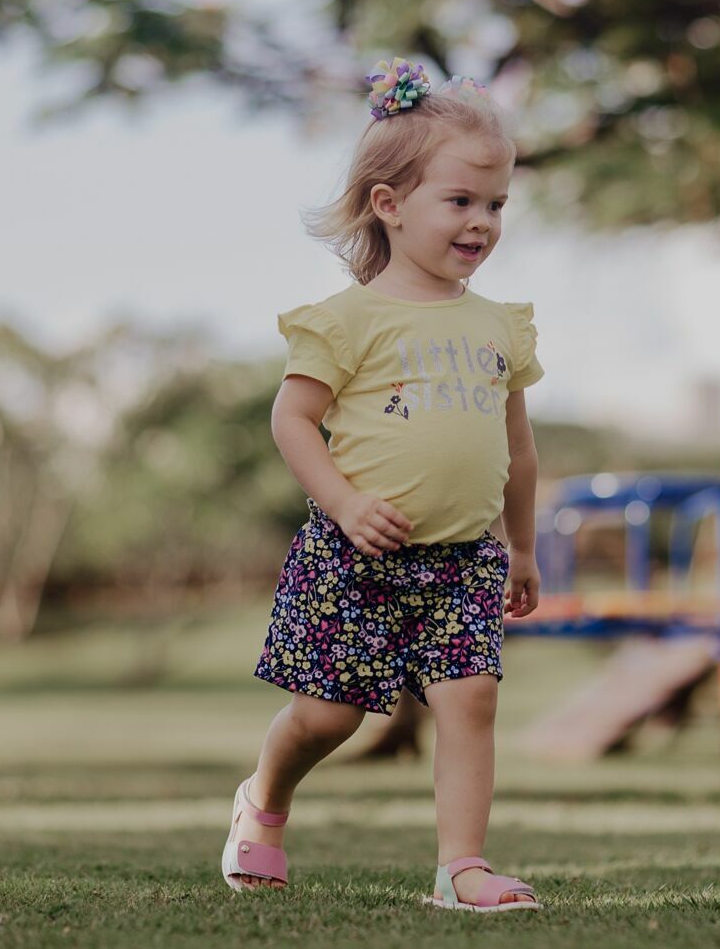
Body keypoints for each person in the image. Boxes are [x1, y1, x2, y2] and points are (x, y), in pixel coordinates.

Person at [219, 57, 545, 912]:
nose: (482, 223)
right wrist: (345, 502)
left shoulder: (498, 326)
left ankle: (460, 868)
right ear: (390, 206)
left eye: (496, 205)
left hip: (465, 557)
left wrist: (522, 545)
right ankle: (264, 802)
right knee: (330, 718)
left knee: (470, 699)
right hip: (355, 551)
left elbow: (517, 444)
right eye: (462, 201)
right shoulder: (347, 319)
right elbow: (292, 421)